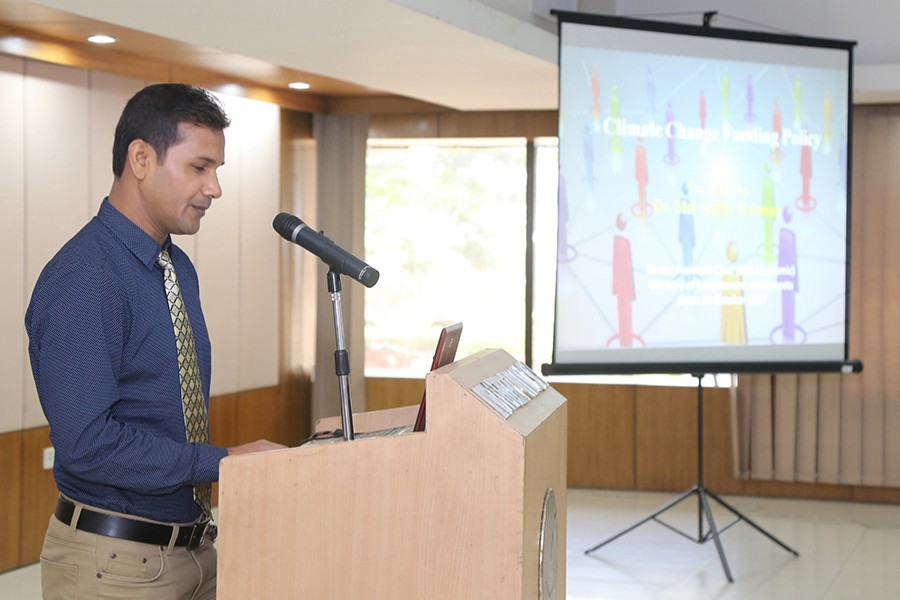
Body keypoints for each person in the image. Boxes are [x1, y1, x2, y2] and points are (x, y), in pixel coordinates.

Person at [25, 83, 286, 600]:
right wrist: (224, 461)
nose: (215, 189)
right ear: (140, 158)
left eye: (218, 171)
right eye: (199, 167)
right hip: (114, 566)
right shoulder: (85, 277)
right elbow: (88, 445)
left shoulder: (175, 267)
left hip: (192, 548)